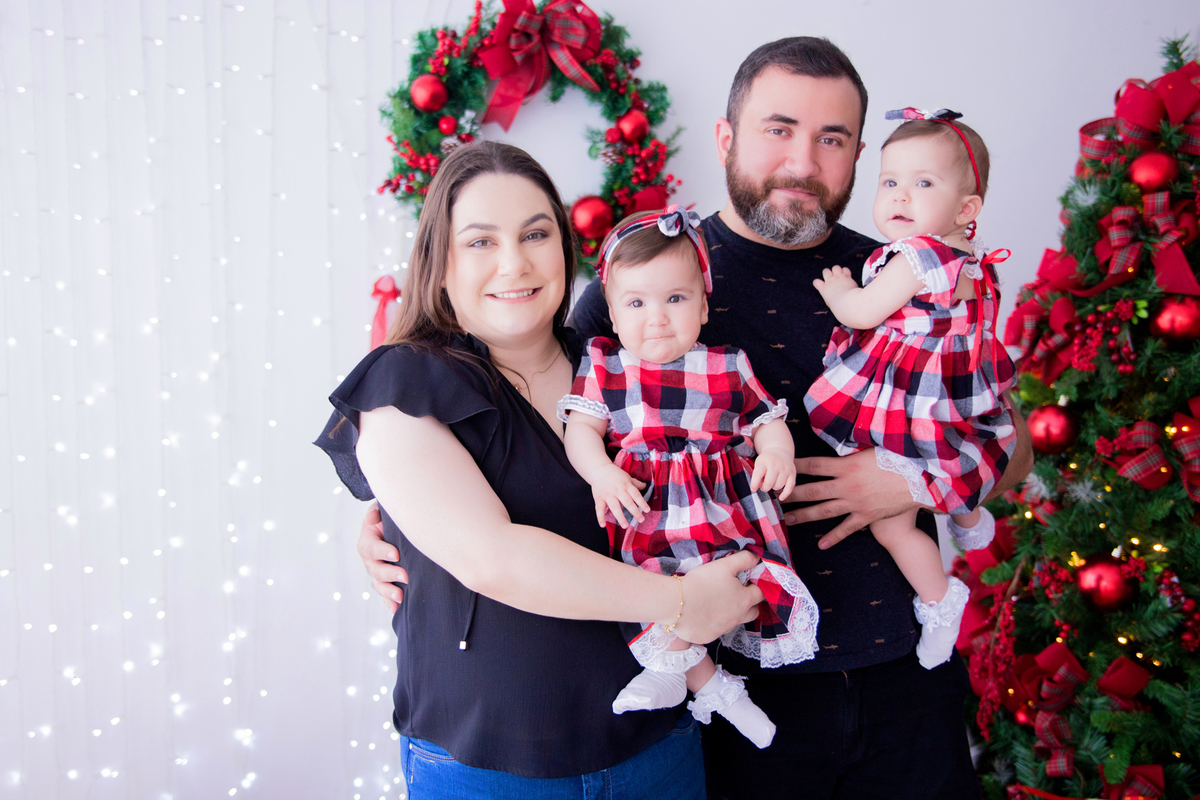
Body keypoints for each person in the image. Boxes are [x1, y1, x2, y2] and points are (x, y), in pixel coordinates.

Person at [356, 38, 1033, 799]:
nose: (803, 160)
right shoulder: (650, 277)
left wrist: (909, 484)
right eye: (779, 129)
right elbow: (541, 430)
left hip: (905, 677)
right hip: (734, 687)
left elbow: (1012, 450)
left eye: (832, 138)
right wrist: (396, 522)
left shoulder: (905, 275)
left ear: (859, 156)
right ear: (726, 138)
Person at [315, 140, 766, 799]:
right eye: (480, 242)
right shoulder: (403, 382)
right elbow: (490, 557)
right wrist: (681, 603)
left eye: (535, 233)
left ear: (566, 249)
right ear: (438, 262)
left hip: (657, 753)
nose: (514, 262)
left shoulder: (619, 364)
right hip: (490, 771)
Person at [559, 206, 820, 751]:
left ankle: (686, 678)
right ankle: (718, 692)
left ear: (703, 305)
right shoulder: (606, 364)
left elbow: (766, 418)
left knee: (732, 581)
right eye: (636, 302)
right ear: (610, 311)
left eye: (675, 299)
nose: (657, 318)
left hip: (722, 503)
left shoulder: (728, 363)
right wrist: (602, 474)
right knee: (657, 589)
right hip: (646, 504)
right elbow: (580, 430)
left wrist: (778, 453)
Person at [804, 108, 1016, 671]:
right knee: (961, 451)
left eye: (923, 184)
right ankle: (969, 521)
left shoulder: (917, 258)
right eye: (890, 181)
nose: (900, 196)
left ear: (966, 209)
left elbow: (862, 311)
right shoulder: (976, 263)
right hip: (959, 399)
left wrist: (839, 290)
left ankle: (941, 600)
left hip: (911, 401)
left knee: (892, 522)